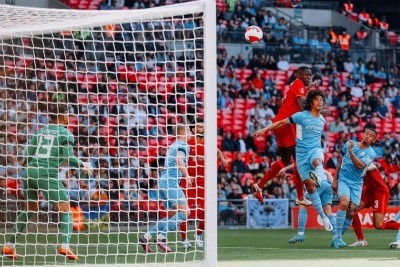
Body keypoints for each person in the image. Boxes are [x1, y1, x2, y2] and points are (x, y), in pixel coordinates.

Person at [2, 104, 93, 260]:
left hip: (29, 173)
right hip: (47, 174)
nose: (69, 118)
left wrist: (32, 169)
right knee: (66, 210)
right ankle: (65, 246)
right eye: (67, 115)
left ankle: (9, 246)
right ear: (63, 116)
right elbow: (70, 159)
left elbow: (27, 155)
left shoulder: (40, 132)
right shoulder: (66, 134)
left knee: (29, 209)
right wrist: (83, 165)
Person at [254, 89, 333, 232]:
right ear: (310, 102)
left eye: (321, 100)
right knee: (309, 187)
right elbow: (280, 123)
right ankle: (323, 217)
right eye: (317, 99)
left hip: (315, 150)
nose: (320, 102)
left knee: (317, 161)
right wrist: (265, 130)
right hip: (301, 154)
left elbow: (326, 112)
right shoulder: (300, 116)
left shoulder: (322, 119)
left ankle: (319, 176)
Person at [250, 66, 318, 207]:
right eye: (306, 75)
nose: (308, 77)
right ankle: (300, 196)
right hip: (287, 124)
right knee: (300, 161)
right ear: (299, 74)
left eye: (310, 75)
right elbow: (301, 107)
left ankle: (259, 185)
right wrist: (318, 110)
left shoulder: (294, 84)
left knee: (285, 159)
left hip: (279, 124)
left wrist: (310, 87)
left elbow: (294, 98)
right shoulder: (298, 84)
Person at [139, 124, 191, 253]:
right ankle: (161, 237)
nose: (191, 133)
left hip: (164, 181)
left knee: (172, 215)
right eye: (189, 130)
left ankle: (146, 237)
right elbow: (179, 160)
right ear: (183, 132)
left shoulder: (173, 145)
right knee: (185, 212)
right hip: (170, 181)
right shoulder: (182, 145)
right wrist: (187, 175)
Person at [179, 118, 228, 249]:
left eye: (204, 126)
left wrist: (222, 159)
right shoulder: (187, 144)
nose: (203, 128)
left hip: (203, 183)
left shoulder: (208, 143)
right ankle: (184, 239)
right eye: (200, 126)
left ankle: (198, 235)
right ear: (194, 129)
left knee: (206, 212)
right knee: (185, 212)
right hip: (188, 182)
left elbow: (218, 152)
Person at [331, 128, 377, 248]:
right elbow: (340, 160)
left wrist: (351, 152)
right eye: (366, 133)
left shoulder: (371, 153)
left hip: (357, 183)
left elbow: (360, 165)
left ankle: (337, 237)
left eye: (371, 135)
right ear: (363, 134)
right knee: (344, 203)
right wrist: (335, 179)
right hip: (344, 180)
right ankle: (338, 238)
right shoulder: (349, 144)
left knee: (352, 211)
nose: (367, 136)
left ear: (374, 140)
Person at [348, 163, 400, 248]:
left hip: (380, 192)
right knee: (351, 210)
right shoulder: (349, 162)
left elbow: (373, 166)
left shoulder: (363, 159)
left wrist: (360, 170)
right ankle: (361, 240)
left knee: (378, 225)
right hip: (369, 192)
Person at [283, 164, 337, 243]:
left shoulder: (305, 163)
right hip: (328, 185)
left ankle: (300, 234)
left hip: (317, 184)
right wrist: (333, 186)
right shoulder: (318, 165)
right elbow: (328, 174)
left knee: (302, 203)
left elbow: (296, 164)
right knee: (328, 212)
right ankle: (337, 237)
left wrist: (284, 168)